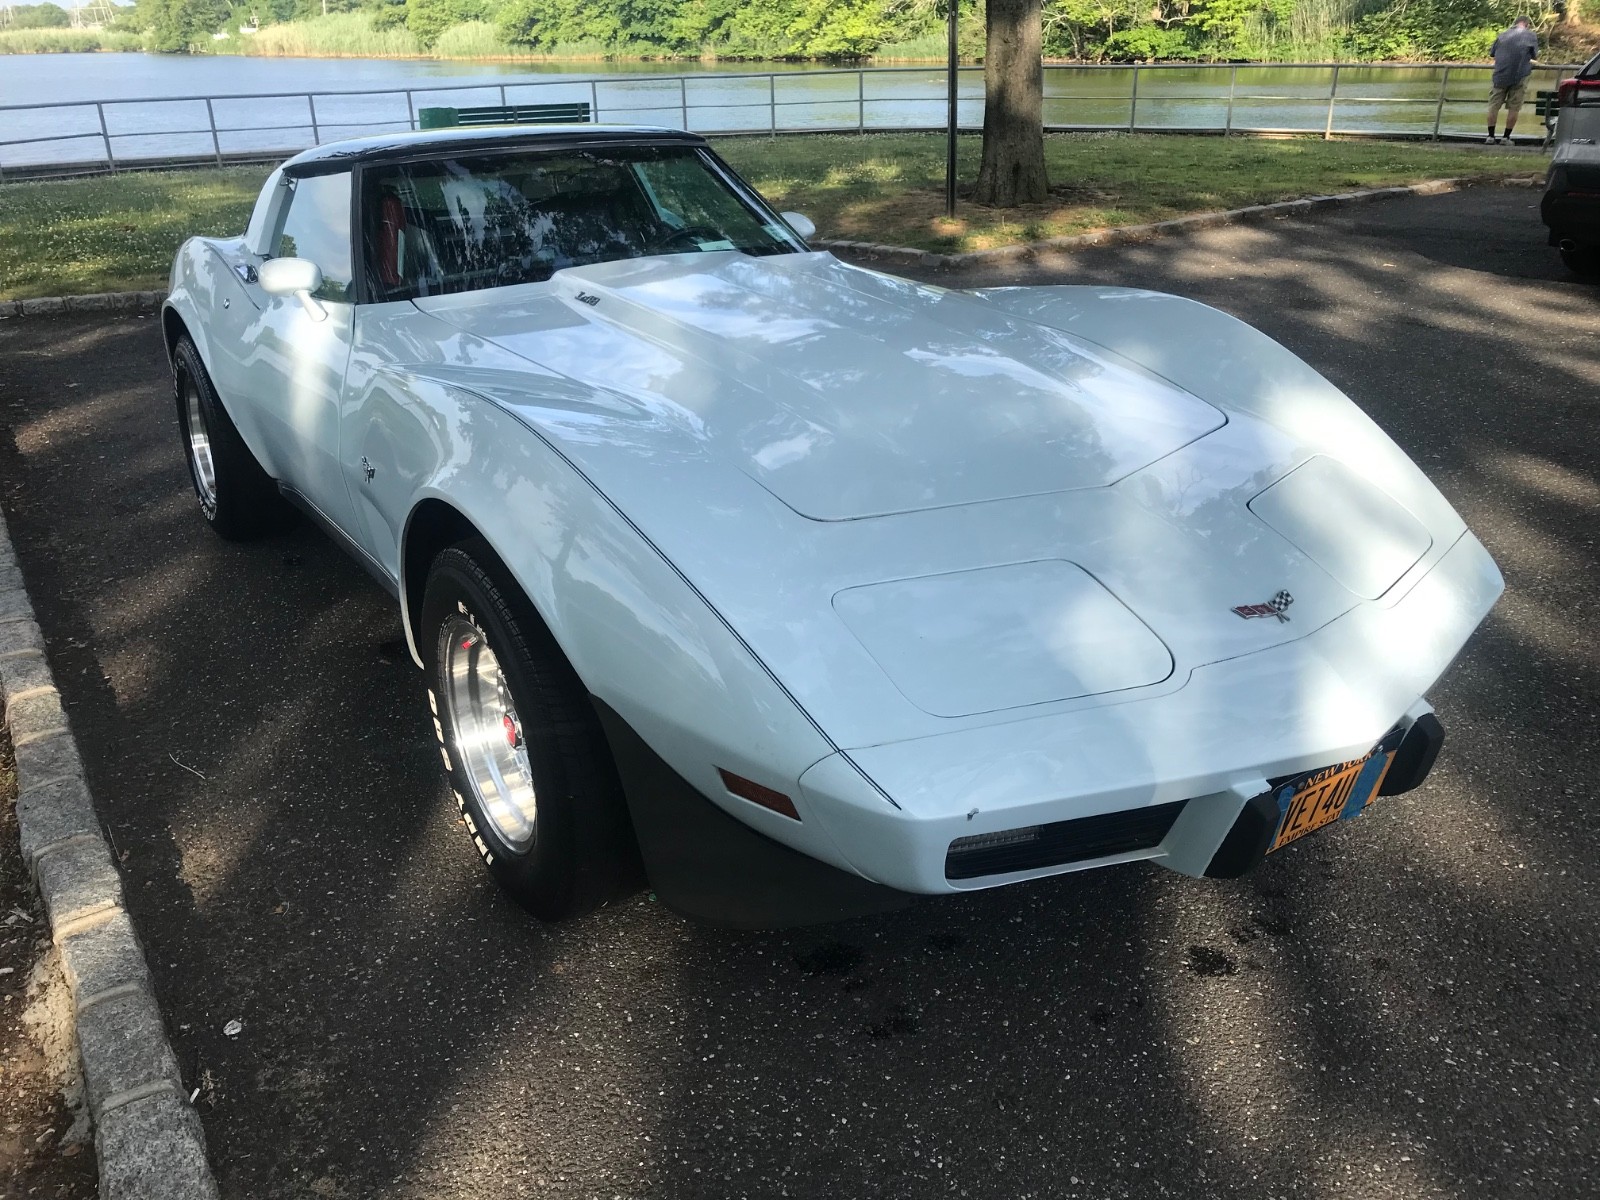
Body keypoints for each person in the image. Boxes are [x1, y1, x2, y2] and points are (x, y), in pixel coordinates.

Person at [1487, 16, 1540, 144]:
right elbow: (1534, 55)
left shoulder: (1502, 35)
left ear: (1515, 24)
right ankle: (1506, 137)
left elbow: (1492, 53)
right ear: (1527, 25)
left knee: (1493, 106)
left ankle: (1490, 137)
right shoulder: (1531, 36)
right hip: (1520, 76)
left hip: (1500, 75)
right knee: (1514, 107)